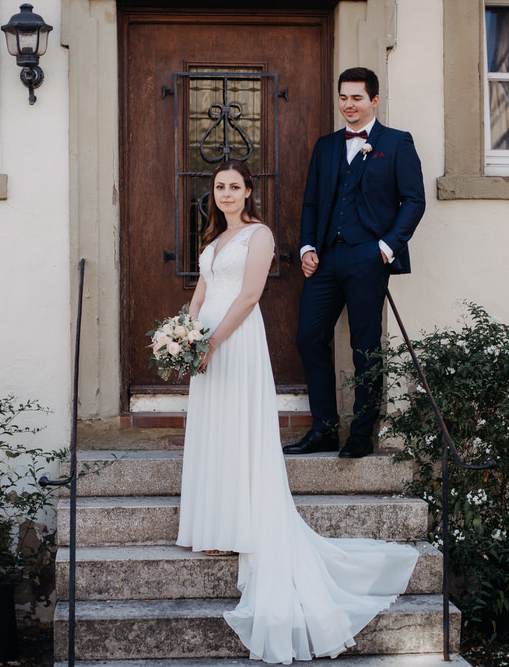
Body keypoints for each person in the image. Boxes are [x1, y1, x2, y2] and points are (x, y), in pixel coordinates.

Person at [176, 159, 418, 664]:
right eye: (219, 187)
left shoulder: (257, 235)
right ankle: (214, 526)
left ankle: (241, 526)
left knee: (238, 430)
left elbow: (248, 296)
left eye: (234, 186)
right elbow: (200, 293)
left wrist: (214, 341)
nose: (226, 194)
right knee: (215, 431)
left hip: (234, 343)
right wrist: (181, 334)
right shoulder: (212, 241)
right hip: (204, 344)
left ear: (248, 192)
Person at [285, 67, 426, 459]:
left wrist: (386, 247)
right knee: (309, 337)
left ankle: (362, 433)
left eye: (357, 98)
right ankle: (325, 429)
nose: (349, 105)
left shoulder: (396, 143)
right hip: (327, 257)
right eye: (343, 97)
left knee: (365, 346)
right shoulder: (326, 146)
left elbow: (414, 200)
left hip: (369, 257)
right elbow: (311, 200)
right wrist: (307, 247)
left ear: (374, 100)